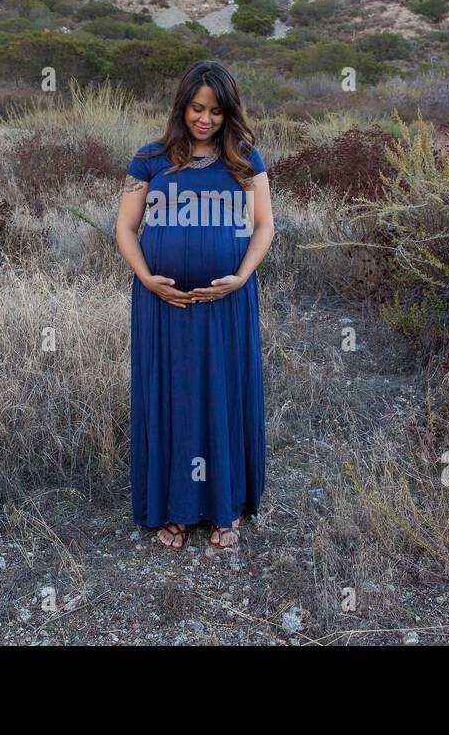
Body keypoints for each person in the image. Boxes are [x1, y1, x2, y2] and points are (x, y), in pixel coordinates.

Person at [114, 60, 274, 550]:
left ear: (229, 113)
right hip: (164, 307)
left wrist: (240, 277)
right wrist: (148, 279)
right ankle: (174, 507)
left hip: (227, 305)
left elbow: (264, 226)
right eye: (197, 108)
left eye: (216, 111)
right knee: (173, 397)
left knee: (223, 395)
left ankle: (226, 506)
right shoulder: (149, 159)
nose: (205, 119)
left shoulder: (245, 159)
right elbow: (125, 228)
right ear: (182, 105)